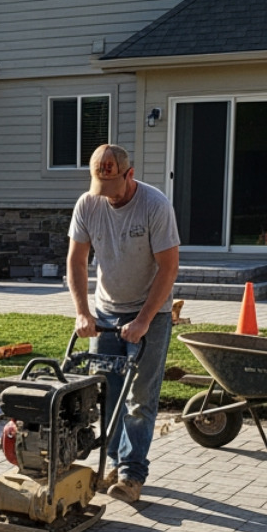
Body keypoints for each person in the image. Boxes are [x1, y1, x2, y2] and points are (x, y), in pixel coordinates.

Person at [66, 143, 182, 504]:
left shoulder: (155, 205)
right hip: (105, 312)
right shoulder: (88, 203)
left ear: (129, 175)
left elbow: (169, 268)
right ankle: (111, 463)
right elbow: (76, 261)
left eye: (113, 190)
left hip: (151, 313)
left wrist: (144, 319)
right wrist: (83, 312)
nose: (108, 199)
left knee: (140, 398)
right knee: (107, 394)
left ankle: (132, 473)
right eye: (100, 189)